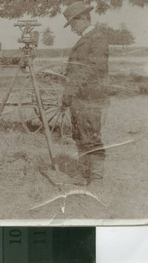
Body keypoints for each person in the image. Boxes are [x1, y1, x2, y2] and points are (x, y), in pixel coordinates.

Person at [62, 2, 110, 186]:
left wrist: (71, 89)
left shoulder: (97, 39)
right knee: (79, 134)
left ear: (82, 19)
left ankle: (96, 177)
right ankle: (84, 174)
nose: (72, 28)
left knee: (91, 135)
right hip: (79, 98)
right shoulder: (85, 39)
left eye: (73, 24)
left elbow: (91, 70)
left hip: (91, 98)